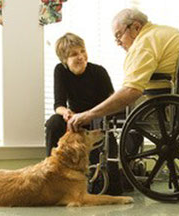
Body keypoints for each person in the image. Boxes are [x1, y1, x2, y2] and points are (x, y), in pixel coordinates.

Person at [67, 8, 179, 132]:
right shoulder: (169, 32)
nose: (118, 43)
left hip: (164, 105)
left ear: (136, 27)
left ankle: (123, 152)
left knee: (103, 115)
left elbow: (131, 91)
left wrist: (89, 114)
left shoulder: (144, 43)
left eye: (119, 35)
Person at [45, 33, 123, 195]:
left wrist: (90, 115)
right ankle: (50, 173)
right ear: (64, 60)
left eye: (82, 51)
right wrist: (66, 112)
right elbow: (58, 104)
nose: (81, 57)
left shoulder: (99, 72)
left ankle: (104, 180)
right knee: (54, 122)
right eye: (74, 54)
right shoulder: (60, 71)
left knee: (114, 190)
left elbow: (111, 104)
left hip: (98, 117)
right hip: (75, 120)